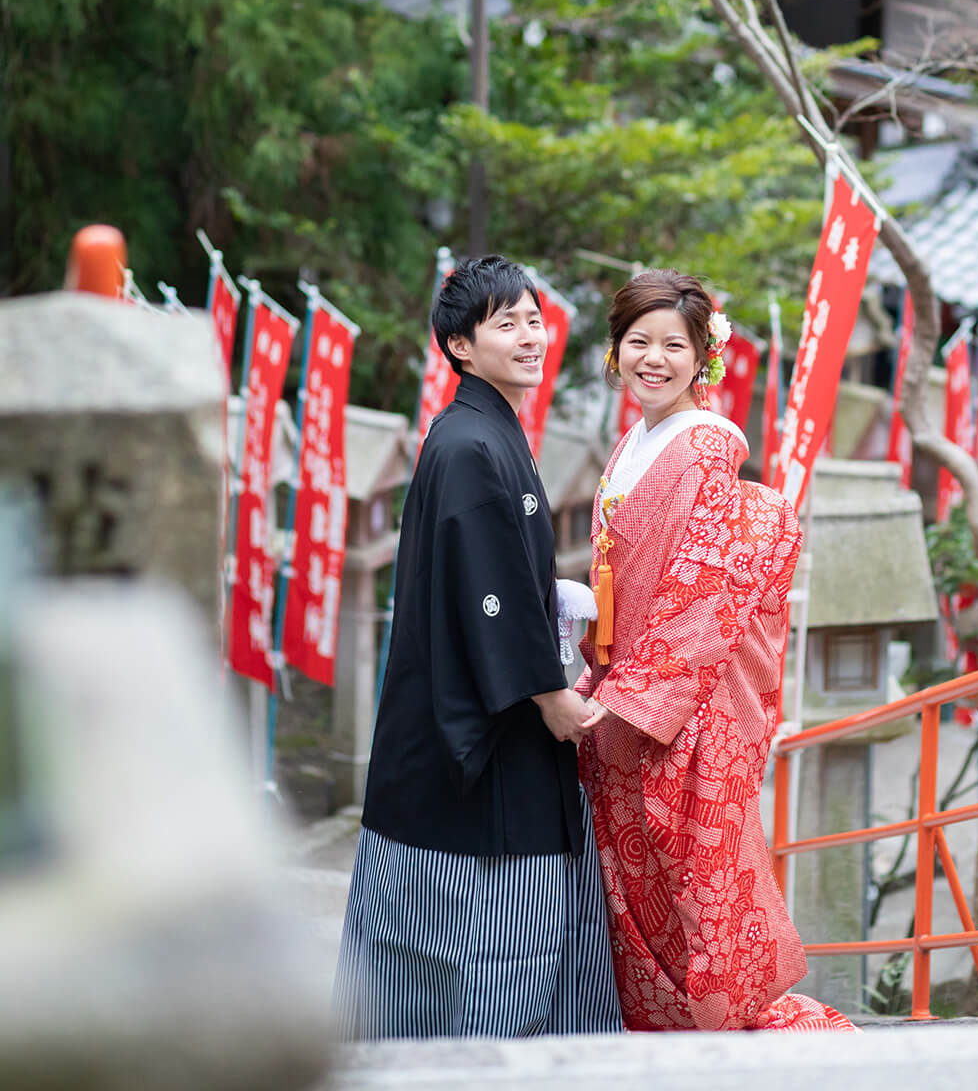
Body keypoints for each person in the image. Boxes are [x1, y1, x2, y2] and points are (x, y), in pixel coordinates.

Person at [333, 256, 622, 1040]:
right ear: (460, 346)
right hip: (481, 742)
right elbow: (484, 588)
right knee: (495, 955)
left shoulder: (484, 433)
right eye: (507, 324)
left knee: (430, 962)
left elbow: (491, 577)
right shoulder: (469, 446)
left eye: (534, 319)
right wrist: (550, 691)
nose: (530, 336)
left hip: (467, 720)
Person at [576, 270, 855, 1033]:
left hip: (678, 702)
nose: (654, 359)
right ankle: (667, 1030)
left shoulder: (703, 446)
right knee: (641, 888)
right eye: (639, 343)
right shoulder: (636, 440)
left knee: (692, 885)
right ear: (615, 351)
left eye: (675, 345)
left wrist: (630, 698)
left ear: (705, 358)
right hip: (623, 683)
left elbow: (702, 586)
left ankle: (718, 1038)